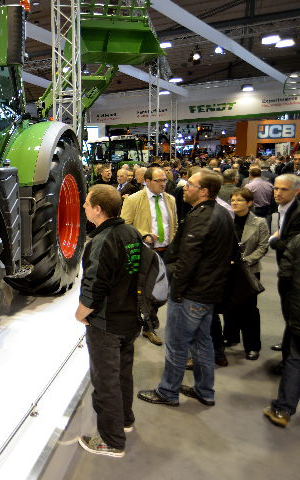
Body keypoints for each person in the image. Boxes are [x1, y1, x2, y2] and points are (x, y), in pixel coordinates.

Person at [137, 170, 235, 408]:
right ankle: (205, 391)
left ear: (204, 191)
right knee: (203, 343)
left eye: (190, 185)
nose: (184, 188)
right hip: (208, 292)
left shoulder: (201, 218)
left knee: (177, 345)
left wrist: (175, 292)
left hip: (191, 294)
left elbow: (188, 261)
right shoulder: (221, 212)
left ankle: (168, 392)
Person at [75, 184, 143, 458]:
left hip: (106, 324)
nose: (83, 207)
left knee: (105, 383)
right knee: (123, 374)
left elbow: (94, 286)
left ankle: (112, 441)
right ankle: (125, 421)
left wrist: (81, 314)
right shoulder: (132, 233)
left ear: (98, 209)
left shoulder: (101, 241)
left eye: (87, 203)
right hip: (130, 320)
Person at [121, 166, 177, 347]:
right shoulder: (134, 200)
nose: (163, 184)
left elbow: (173, 225)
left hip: (166, 252)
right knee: (143, 291)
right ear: (147, 181)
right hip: (147, 253)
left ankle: (148, 324)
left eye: (165, 180)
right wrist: (143, 234)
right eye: (159, 180)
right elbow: (124, 225)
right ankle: (147, 326)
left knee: (161, 292)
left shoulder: (170, 200)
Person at [223, 188, 269, 360]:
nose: (234, 202)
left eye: (239, 200)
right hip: (229, 270)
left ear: (249, 203)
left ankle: (252, 346)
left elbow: (263, 246)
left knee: (249, 310)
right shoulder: (227, 220)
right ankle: (230, 337)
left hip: (249, 271)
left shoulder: (259, 222)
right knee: (229, 305)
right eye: (232, 199)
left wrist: (246, 262)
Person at [264, 233, 300, 427]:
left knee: (295, 359)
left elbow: (285, 275)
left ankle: (282, 410)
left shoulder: (297, 241)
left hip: (298, 312)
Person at [269, 174, 300, 374]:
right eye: (276, 188)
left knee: (293, 317)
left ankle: (288, 362)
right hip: (286, 270)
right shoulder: (283, 209)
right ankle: (287, 349)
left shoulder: (297, 214)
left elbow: (290, 246)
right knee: (288, 316)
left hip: (293, 275)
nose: (278, 193)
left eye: (283, 189)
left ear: (296, 192)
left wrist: (273, 240)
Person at [245, 166, 274, 232]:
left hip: (254, 209)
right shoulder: (269, 184)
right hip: (267, 209)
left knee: (254, 229)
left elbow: (246, 198)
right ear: (261, 175)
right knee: (266, 228)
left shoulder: (248, 186)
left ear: (250, 176)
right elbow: (273, 197)